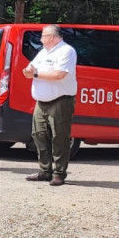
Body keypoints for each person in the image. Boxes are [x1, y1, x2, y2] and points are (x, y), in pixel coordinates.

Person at [22, 24, 77, 186]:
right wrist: (28, 72)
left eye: (43, 36)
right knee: (38, 135)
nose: (41, 38)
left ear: (52, 37)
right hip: (41, 101)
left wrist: (35, 73)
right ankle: (45, 171)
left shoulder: (66, 51)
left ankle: (59, 173)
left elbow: (59, 74)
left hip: (60, 100)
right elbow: (27, 71)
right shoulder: (43, 52)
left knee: (59, 137)